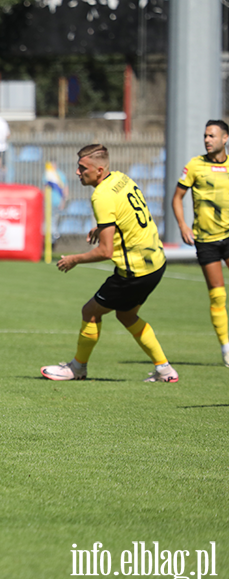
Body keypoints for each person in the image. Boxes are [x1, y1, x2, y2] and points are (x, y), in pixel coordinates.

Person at [41, 144, 177, 383]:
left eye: (82, 168)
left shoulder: (101, 195)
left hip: (134, 272)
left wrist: (74, 259)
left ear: (99, 169)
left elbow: (105, 251)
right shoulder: (122, 179)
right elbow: (129, 214)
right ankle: (165, 370)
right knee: (126, 316)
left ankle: (76, 369)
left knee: (90, 312)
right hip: (156, 263)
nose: (77, 172)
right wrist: (104, 227)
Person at [171, 119, 229, 367]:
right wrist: (183, 225)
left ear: (225, 139)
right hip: (206, 240)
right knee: (217, 296)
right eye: (205, 136)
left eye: (212, 136)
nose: (207, 140)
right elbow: (177, 198)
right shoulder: (195, 165)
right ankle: (226, 349)